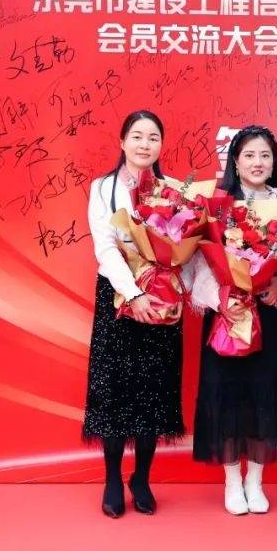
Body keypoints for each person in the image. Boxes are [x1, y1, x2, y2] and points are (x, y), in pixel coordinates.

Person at [191, 125, 277, 515]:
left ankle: (255, 481)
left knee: (265, 393)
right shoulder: (217, 205)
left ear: (274, 162)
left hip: (267, 315)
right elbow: (199, 261)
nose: (258, 163)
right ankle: (231, 481)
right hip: (227, 315)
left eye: (265, 155)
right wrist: (220, 298)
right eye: (249, 155)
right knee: (226, 394)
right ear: (235, 161)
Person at [83, 110, 186, 518]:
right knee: (115, 390)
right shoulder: (102, 188)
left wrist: (161, 291)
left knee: (153, 390)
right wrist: (134, 293)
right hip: (118, 296)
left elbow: (183, 247)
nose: (145, 144)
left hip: (162, 297)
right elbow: (105, 247)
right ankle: (112, 478)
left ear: (161, 144)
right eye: (138, 136)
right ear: (123, 141)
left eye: (153, 137)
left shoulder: (173, 191)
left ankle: (141, 478)